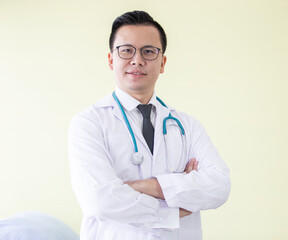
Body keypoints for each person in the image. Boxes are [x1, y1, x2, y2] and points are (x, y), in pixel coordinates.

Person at [68, 10, 230, 240]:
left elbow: (219, 186)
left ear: (162, 63)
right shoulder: (89, 123)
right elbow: (99, 200)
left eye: (149, 51)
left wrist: (141, 187)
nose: (137, 60)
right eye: (126, 50)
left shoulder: (187, 126)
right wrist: (174, 201)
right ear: (111, 60)